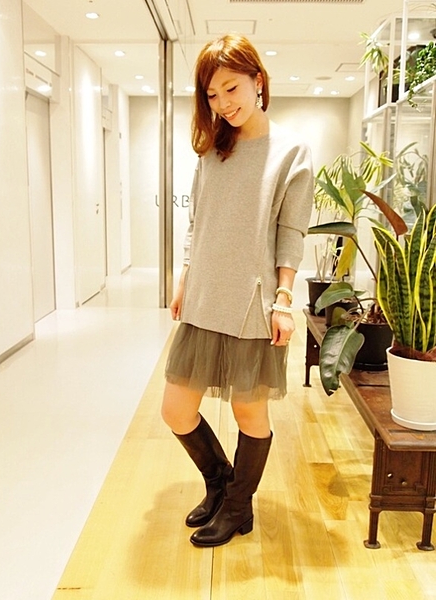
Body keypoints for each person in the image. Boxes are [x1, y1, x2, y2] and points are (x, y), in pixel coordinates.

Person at [161, 34, 314, 548]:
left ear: (258, 81)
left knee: (250, 413)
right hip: (204, 295)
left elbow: (290, 234)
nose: (224, 103)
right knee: (175, 410)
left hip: (252, 300)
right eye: (212, 94)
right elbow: (197, 221)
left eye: (232, 88)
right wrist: (185, 275)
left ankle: (238, 507)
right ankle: (221, 483)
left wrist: (284, 300)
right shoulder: (212, 149)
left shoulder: (291, 151)